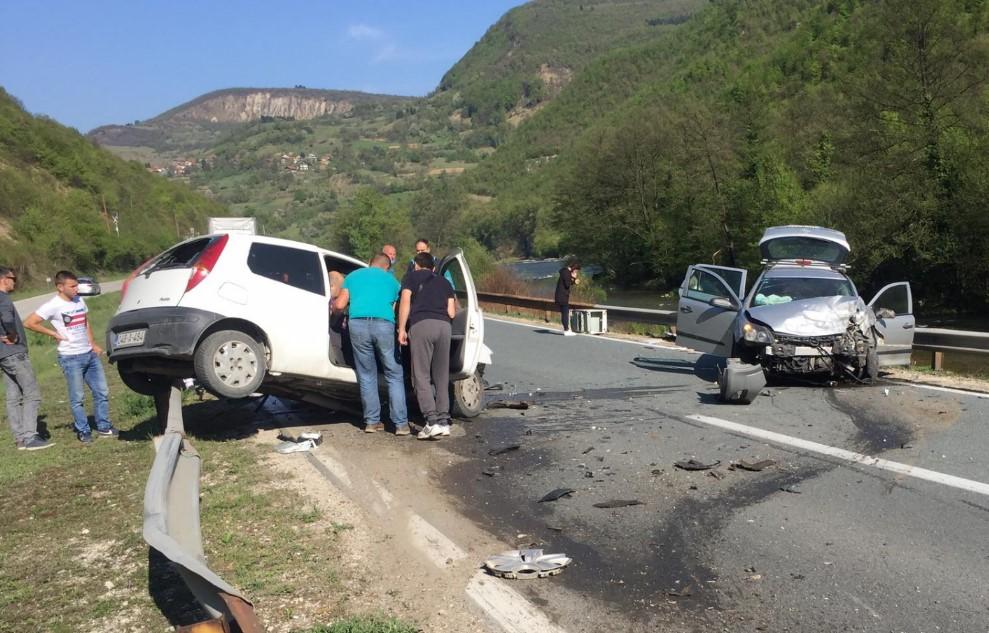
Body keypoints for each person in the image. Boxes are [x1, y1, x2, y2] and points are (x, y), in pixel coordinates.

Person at [25, 271, 117, 443]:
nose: (77, 289)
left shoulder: (79, 300)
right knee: (77, 398)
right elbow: (29, 322)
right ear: (60, 287)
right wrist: (53, 333)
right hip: (71, 357)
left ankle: (104, 426)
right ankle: (83, 430)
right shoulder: (53, 305)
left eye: (77, 285)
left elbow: (85, 321)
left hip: (89, 354)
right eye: (72, 286)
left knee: (102, 392)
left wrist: (93, 344)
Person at [332, 253, 410, 435]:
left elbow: (340, 304)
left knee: (367, 374)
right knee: (394, 374)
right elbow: (399, 307)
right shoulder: (392, 281)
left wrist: (335, 314)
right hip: (384, 324)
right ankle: (401, 425)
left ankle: (372, 422)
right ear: (387, 267)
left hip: (357, 324)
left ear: (369, 263)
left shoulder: (353, 276)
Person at [398, 252, 456, 440]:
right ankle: (444, 421)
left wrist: (401, 329)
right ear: (433, 267)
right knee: (441, 376)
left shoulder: (410, 277)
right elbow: (452, 312)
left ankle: (431, 422)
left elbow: (405, 302)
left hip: (422, 324)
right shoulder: (444, 282)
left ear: (416, 265)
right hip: (444, 327)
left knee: (421, 375)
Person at [0, 266, 52, 451]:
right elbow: (6, 318)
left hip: (3, 356)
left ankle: (20, 439)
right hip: (15, 354)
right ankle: (30, 437)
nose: (15, 281)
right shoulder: (3, 297)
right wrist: (12, 334)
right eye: (12, 278)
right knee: (32, 395)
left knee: (13, 397)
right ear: (4, 279)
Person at [554, 259, 581, 336]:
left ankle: (566, 329)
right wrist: (573, 278)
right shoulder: (566, 273)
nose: (576, 272)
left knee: (564, 313)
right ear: (574, 268)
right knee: (565, 313)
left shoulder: (564, 272)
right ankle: (566, 330)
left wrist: (573, 280)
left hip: (560, 295)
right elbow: (567, 284)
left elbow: (567, 282)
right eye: (576, 270)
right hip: (562, 296)